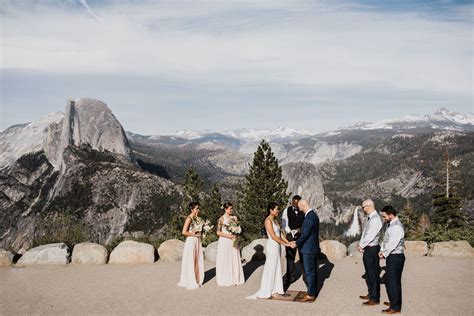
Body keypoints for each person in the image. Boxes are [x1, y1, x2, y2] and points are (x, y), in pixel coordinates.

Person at [246, 202, 296, 299]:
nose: (278, 211)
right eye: (276, 209)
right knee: (272, 267)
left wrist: (288, 242)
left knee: (277, 267)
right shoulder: (268, 221)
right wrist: (285, 244)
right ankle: (269, 289)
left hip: (277, 246)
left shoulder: (275, 220)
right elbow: (273, 236)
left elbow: (280, 234)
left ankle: (276, 289)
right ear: (271, 210)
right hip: (272, 246)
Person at [379, 205, 405, 314]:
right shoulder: (393, 224)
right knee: (393, 281)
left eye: (384, 216)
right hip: (393, 256)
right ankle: (394, 302)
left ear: (391, 215)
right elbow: (387, 240)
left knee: (393, 282)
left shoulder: (396, 227)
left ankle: (395, 307)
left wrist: (383, 253)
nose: (383, 218)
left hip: (395, 257)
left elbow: (392, 243)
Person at [358, 199, 383, 306]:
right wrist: (361, 243)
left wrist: (362, 245)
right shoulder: (371, 218)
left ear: (368, 206)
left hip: (372, 249)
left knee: (373, 273)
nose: (363, 209)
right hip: (368, 248)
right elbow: (365, 233)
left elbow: (371, 235)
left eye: (363, 207)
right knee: (369, 273)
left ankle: (375, 298)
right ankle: (371, 293)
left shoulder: (376, 219)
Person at [295, 199, 320, 302]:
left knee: (309, 272)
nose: (300, 209)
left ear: (303, 205)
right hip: (313, 247)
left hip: (308, 249)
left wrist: (296, 243)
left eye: (300, 207)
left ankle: (310, 294)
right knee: (312, 271)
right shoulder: (314, 215)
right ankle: (312, 291)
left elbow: (305, 235)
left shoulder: (309, 218)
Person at [215, 202, 245, 286]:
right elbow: (218, 232)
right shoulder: (221, 218)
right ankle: (227, 278)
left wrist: (237, 232)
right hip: (225, 241)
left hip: (233, 240)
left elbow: (238, 228)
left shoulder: (234, 218)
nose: (231, 210)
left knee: (234, 257)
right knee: (226, 258)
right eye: (230, 209)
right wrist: (228, 235)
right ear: (225, 209)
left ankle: (236, 278)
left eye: (232, 208)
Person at [178, 202, 204, 290]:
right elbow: (184, 232)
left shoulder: (198, 219)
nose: (198, 210)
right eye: (196, 209)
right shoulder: (189, 218)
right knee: (191, 260)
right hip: (191, 241)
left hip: (197, 240)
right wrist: (193, 234)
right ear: (192, 209)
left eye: (198, 208)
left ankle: (197, 278)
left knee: (197, 259)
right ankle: (190, 280)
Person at [281, 194, 305, 287]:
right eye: (293, 204)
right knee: (290, 257)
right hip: (290, 236)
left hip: (302, 236)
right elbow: (284, 223)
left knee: (303, 257)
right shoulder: (287, 210)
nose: (295, 206)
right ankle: (290, 277)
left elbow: (307, 223)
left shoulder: (304, 210)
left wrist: (301, 230)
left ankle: (306, 277)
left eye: (296, 204)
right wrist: (290, 232)